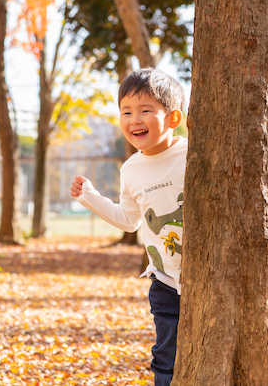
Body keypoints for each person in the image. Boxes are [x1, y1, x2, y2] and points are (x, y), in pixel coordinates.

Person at [70, 67, 186, 386]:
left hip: (205, 277)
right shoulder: (131, 169)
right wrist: (90, 197)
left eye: (146, 110)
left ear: (173, 118)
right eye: (126, 112)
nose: (134, 119)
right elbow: (129, 220)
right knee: (166, 353)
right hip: (163, 279)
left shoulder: (191, 154)